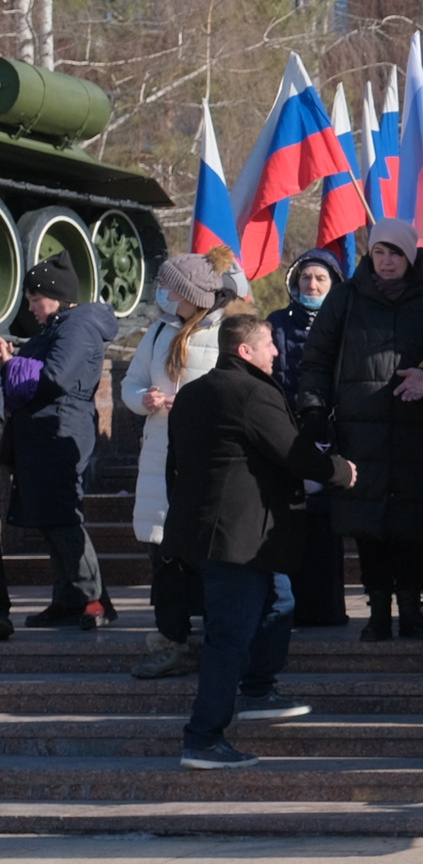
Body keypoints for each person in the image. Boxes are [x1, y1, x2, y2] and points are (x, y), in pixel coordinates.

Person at [163, 311, 357, 769]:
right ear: (244, 350)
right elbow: (293, 452)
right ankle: (203, 737)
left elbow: (179, 463)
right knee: (229, 638)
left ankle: (257, 690)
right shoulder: (252, 392)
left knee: (280, 601)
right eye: (269, 344)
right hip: (238, 540)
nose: (277, 351)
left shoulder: (192, 393)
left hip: (219, 534)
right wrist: (341, 472)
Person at [295, 220, 423, 640]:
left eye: (396, 254)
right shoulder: (344, 299)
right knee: (369, 525)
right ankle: (379, 611)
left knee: (411, 525)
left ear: (411, 257)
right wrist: (312, 408)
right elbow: (316, 359)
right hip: (358, 431)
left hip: (415, 432)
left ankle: (412, 611)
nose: (386, 261)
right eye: (380, 252)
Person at [123, 254, 230, 676]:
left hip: (205, 458)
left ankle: (219, 641)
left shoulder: (225, 331)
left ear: (190, 294)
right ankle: (171, 639)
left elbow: (234, 393)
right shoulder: (158, 331)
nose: (165, 295)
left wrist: (186, 406)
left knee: (208, 554)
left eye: (172, 288)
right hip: (159, 455)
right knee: (163, 553)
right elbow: (131, 383)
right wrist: (143, 399)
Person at [2, 258, 117, 628]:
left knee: (63, 519)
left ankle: (95, 602)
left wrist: (8, 364)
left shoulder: (78, 326)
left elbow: (56, 377)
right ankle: (68, 599)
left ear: (56, 294)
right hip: (44, 434)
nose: (31, 307)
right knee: (51, 521)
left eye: (35, 298)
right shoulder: (59, 326)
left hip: (60, 432)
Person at [267, 250, 349, 629]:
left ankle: (325, 608)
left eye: (320, 279)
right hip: (287, 432)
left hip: (334, 433)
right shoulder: (277, 324)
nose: (312, 285)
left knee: (325, 524)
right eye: (306, 279)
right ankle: (290, 607)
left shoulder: (347, 321)